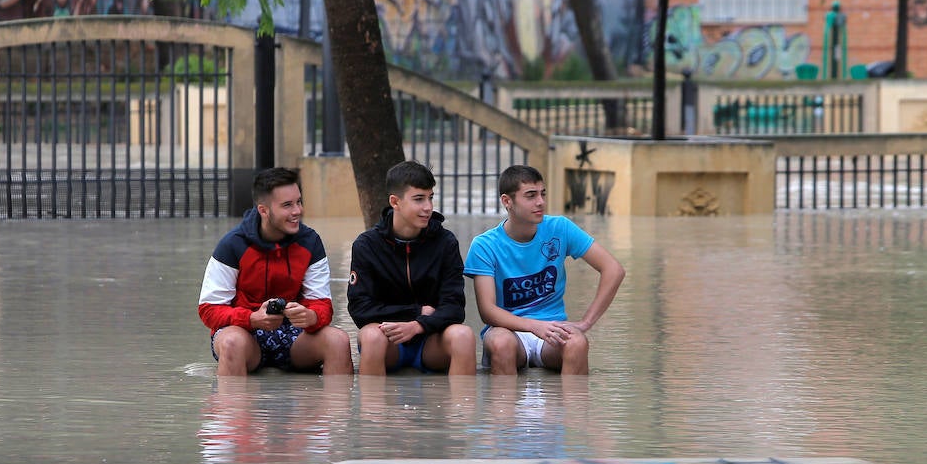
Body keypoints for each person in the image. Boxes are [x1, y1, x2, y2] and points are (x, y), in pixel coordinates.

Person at [463, 164, 625, 375]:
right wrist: (533, 326)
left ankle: (574, 408)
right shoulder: (484, 245)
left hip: (552, 330)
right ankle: (502, 407)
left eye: (542, 194)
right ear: (507, 201)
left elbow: (614, 270)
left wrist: (586, 323)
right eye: (530, 195)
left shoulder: (560, 228)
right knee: (501, 343)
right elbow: (488, 311)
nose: (540, 202)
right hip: (508, 332)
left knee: (577, 343)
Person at [198, 167, 353, 376]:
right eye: (287, 205)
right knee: (232, 342)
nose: (297, 211)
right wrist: (252, 318)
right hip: (244, 332)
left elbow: (322, 304)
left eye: (299, 202)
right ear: (263, 210)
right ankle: (231, 408)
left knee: (339, 341)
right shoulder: (232, 245)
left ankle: (333, 408)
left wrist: (311, 316)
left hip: (295, 335)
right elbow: (209, 309)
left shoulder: (311, 242)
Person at [348, 160, 477, 376]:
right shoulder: (366, 245)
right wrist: (414, 312)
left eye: (430, 198)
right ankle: (372, 410)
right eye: (419, 199)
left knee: (463, 336)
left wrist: (418, 324)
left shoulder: (445, 242)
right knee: (370, 336)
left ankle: (461, 410)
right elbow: (360, 310)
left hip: (431, 339)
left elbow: (455, 308)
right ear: (395, 202)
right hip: (388, 341)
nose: (428, 207)